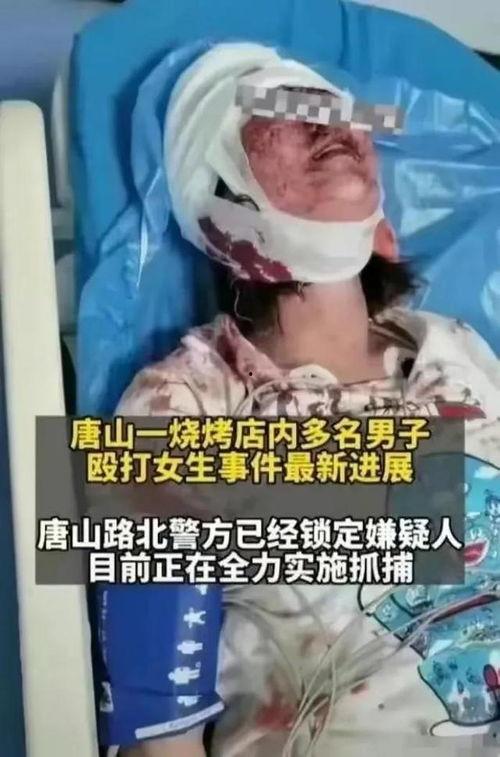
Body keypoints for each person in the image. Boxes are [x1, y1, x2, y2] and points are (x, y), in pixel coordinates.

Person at [112, 43, 500, 757]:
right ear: (219, 202)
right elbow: (160, 729)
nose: (332, 125)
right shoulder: (181, 404)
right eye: (284, 114)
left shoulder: (458, 351)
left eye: (336, 109)